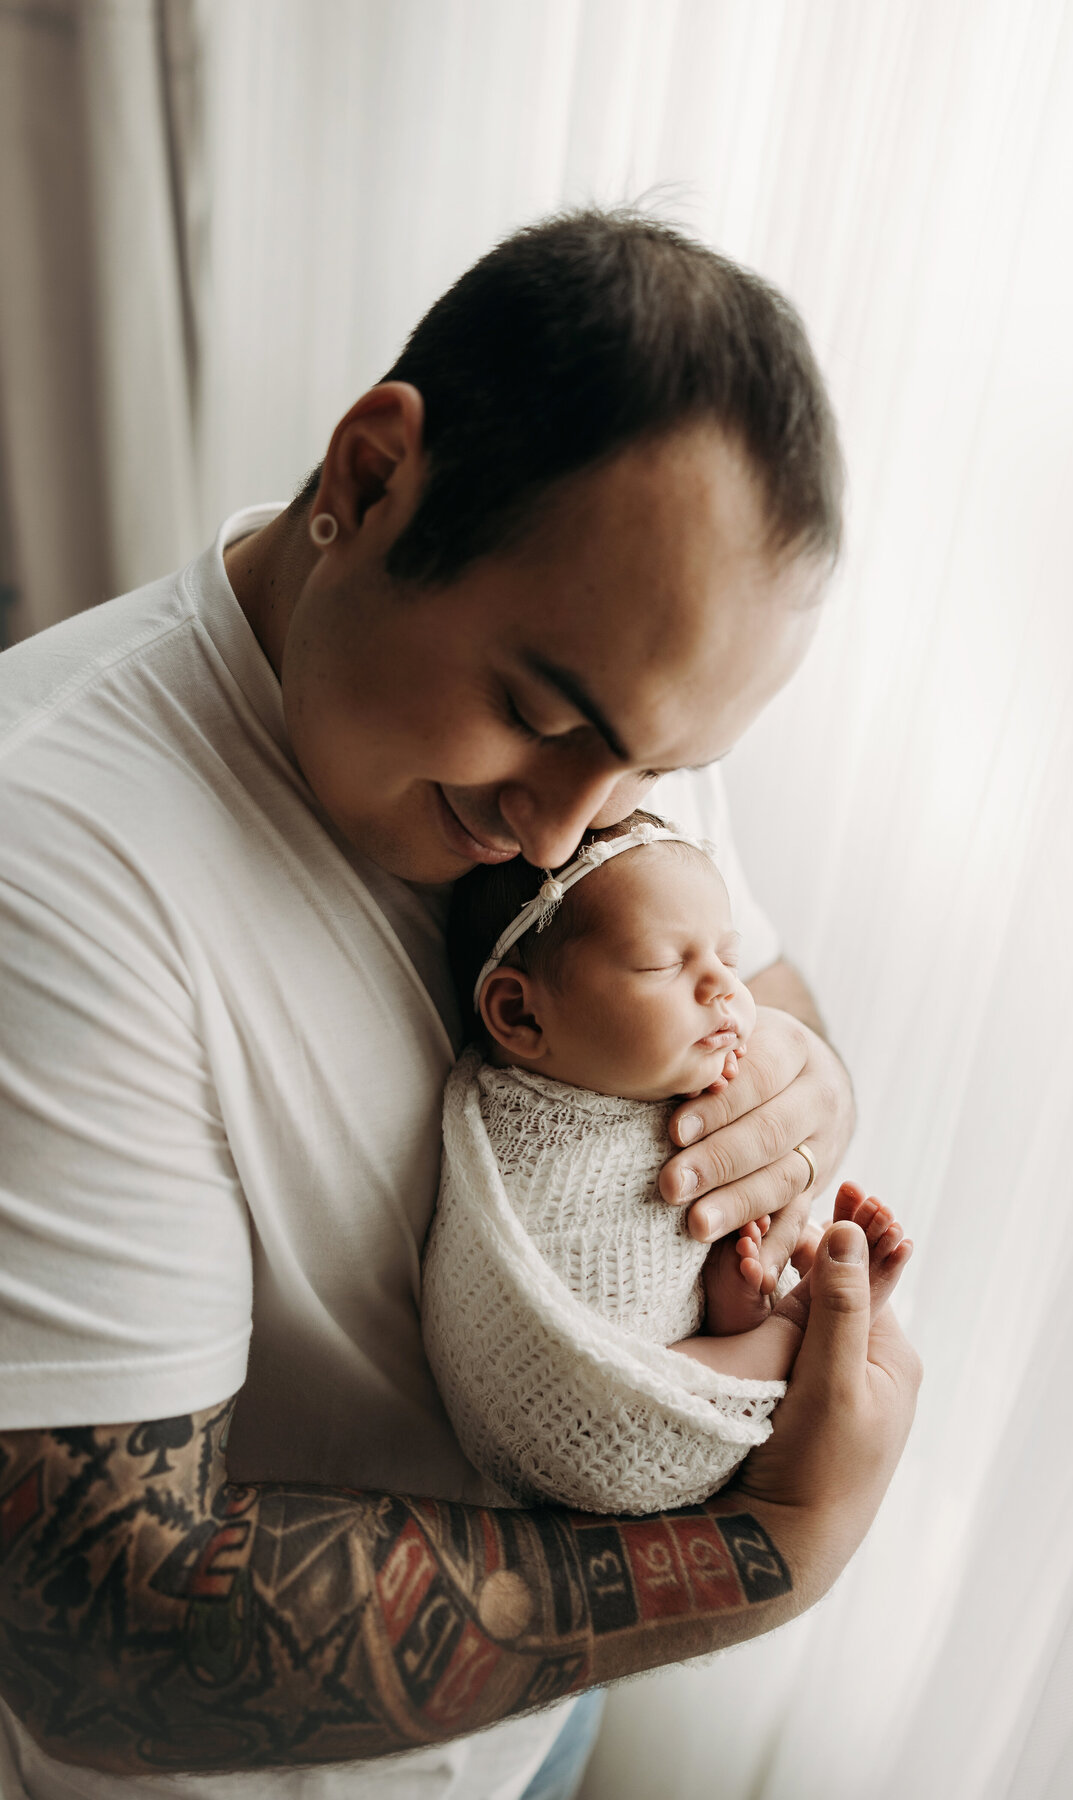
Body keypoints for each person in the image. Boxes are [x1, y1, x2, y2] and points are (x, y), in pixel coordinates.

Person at [0, 211, 921, 1798]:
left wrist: (804, 1086)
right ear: (369, 480)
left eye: (654, 768)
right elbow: (104, 1635)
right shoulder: (51, 871)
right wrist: (765, 1548)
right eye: (535, 714)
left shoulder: (617, 720)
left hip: (533, 1730)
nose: (572, 830)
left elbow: (766, 986)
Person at [424, 811, 914, 1517]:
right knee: (692, 1365)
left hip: (681, 1350)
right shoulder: (524, 1128)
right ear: (522, 1017)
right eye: (664, 965)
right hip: (583, 1411)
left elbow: (664, 1264)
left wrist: (727, 1291)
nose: (725, 989)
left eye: (729, 960)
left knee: (734, 1284)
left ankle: (759, 1309)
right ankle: (803, 1322)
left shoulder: (676, 1075)